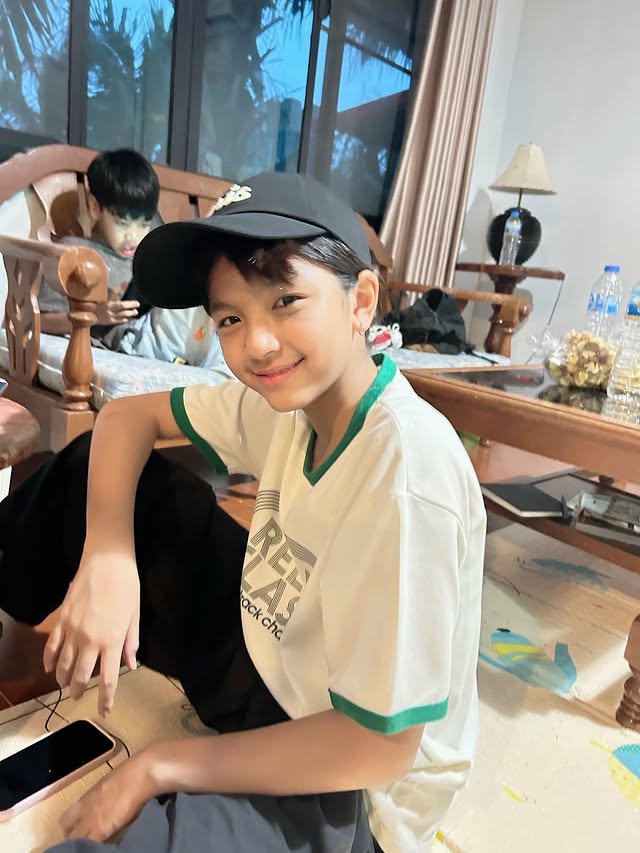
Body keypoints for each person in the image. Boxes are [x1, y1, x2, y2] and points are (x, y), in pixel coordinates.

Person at [0, 173, 486, 852]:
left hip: (357, 786)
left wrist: (161, 764)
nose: (257, 343)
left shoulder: (407, 472)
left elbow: (379, 747)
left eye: (286, 300)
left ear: (360, 302)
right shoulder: (290, 405)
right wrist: (108, 557)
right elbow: (126, 419)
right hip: (275, 662)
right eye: (230, 318)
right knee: (93, 475)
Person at [39, 148, 226, 369]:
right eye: (123, 223)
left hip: (170, 336)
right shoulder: (73, 253)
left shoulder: (146, 255)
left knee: (209, 290)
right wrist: (94, 315)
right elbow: (41, 321)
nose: (133, 236)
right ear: (95, 207)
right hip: (128, 341)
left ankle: (225, 374)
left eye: (144, 224)